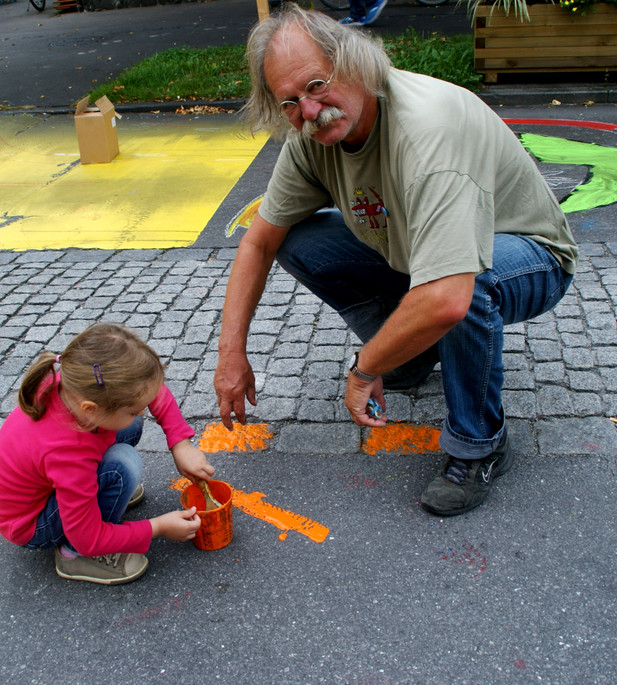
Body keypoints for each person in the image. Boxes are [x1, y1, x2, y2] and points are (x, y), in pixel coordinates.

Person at [213, 6, 578, 517]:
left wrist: (364, 371)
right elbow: (258, 242)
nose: (310, 110)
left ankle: (481, 444)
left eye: (317, 85)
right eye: (290, 101)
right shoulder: (310, 141)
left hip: (527, 254)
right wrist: (231, 355)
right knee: (297, 237)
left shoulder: (428, 130)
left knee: (468, 283)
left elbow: (449, 295)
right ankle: (406, 352)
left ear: (356, 64)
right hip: (420, 256)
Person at [0, 323, 214, 585]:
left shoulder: (81, 385)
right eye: (133, 408)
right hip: (33, 525)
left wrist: (180, 444)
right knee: (123, 466)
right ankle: (74, 555)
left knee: (130, 425)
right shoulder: (67, 452)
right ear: (91, 409)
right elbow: (90, 536)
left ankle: (101, 497)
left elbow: (147, 389)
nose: (142, 411)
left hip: (50, 484)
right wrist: (159, 527)